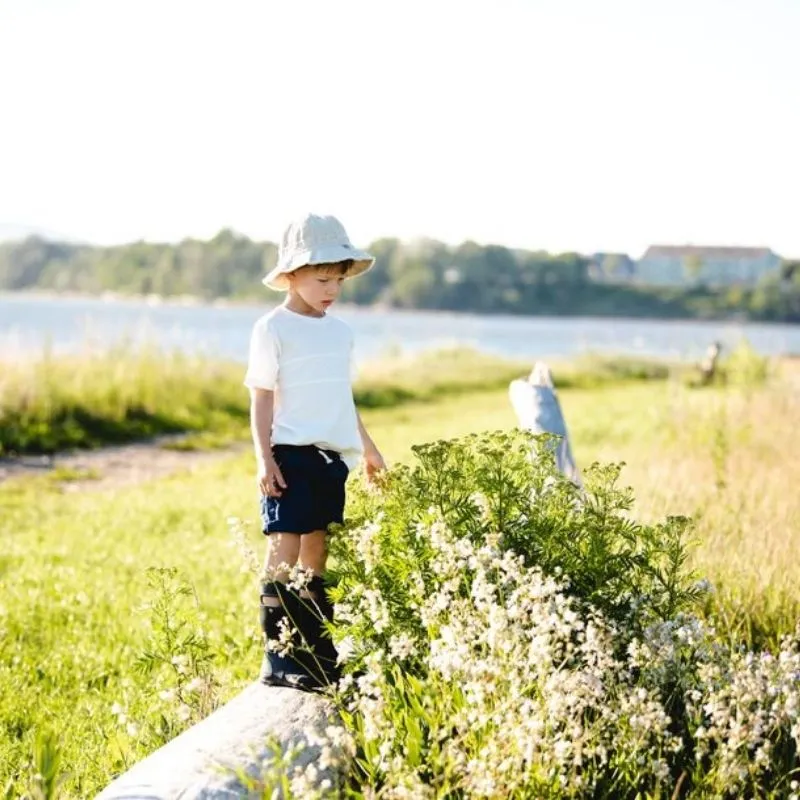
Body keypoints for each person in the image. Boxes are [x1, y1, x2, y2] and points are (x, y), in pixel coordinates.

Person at [244, 212, 386, 690]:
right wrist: (263, 457)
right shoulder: (272, 328)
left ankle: (315, 652)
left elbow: (340, 397)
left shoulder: (339, 332)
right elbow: (262, 396)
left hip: (331, 457)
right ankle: (278, 657)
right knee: (284, 547)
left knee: (316, 548)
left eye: (338, 281)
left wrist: (368, 449)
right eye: (322, 279)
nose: (331, 290)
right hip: (289, 452)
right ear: (290, 276)